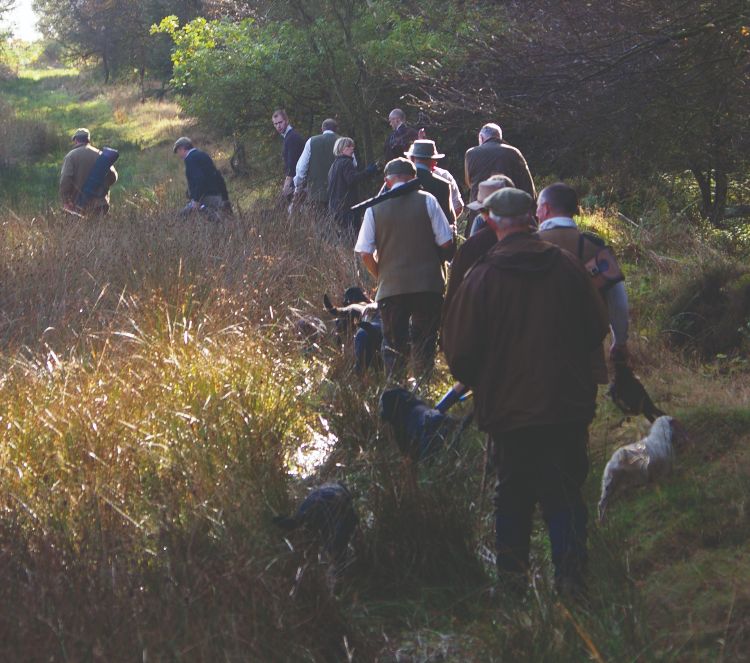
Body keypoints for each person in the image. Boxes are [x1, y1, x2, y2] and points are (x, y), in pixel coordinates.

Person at [442, 187, 608, 596]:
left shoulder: (482, 276)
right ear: (531, 220)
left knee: (512, 497)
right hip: (566, 406)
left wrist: (484, 381)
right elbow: (595, 328)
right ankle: (571, 581)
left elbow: (459, 354)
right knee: (565, 493)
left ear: (494, 221)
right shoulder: (568, 267)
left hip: (509, 412)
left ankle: (512, 588)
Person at [354, 158, 454, 378]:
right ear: (414, 179)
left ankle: (397, 394)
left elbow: (364, 252)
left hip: (392, 289)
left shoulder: (374, 208)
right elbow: (447, 242)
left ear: (387, 182)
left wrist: (382, 275)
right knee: (425, 344)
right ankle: (424, 388)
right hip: (429, 286)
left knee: (393, 346)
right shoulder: (428, 201)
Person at [536, 182, 630, 379]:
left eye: (538, 208)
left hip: (535, 352)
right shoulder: (594, 247)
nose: (536, 214)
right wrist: (619, 341)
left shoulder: (526, 244)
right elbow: (618, 301)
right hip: (585, 353)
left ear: (545, 208)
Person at [464, 123, 535, 236]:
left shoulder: (471, 153)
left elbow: (469, 182)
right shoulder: (514, 152)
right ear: (499, 137)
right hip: (510, 214)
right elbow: (528, 187)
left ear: (481, 138)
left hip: (481, 213)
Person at [59, 128, 118, 215]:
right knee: (100, 228)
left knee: (82, 229)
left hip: (78, 205)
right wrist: (101, 187)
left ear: (75, 140)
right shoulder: (101, 155)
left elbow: (65, 179)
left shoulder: (71, 156)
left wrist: (66, 200)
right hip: (100, 205)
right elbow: (113, 176)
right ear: (88, 140)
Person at [327, 137, 377, 238]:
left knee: (343, 236)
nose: (352, 148)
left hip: (335, 206)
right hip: (346, 207)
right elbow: (352, 180)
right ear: (341, 149)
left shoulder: (334, 164)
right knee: (352, 236)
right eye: (349, 146)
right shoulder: (346, 162)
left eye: (352, 146)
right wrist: (368, 172)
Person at [173, 137, 230, 217]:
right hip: (218, 196)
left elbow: (199, 179)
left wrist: (196, 200)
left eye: (177, 151)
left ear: (182, 148)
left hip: (206, 198)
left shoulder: (190, 159)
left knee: (181, 216)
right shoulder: (203, 155)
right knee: (221, 221)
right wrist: (225, 198)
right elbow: (217, 175)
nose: (178, 155)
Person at [404, 139, 456, 226]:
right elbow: (448, 221)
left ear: (412, 158)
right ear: (434, 161)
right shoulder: (443, 185)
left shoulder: (398, 180)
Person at [294, 118, 340, 211]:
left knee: (319, 223)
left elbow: (301, 169)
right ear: (336, 129)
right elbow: (353, 165)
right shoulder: (343, 142)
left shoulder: (311, 141)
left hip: (316, 194)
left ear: (322, 129)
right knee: (339, 223)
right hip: (339, 194)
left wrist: (298, 186)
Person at [271, 109, 306, 200]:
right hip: (298, 180)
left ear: (286, 121)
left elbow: (292, 163)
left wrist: (286, 185)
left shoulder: (292, 137)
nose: (278, 126)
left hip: (299, 181)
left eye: (280, 122)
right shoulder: (288, 136)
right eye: (275, 124)